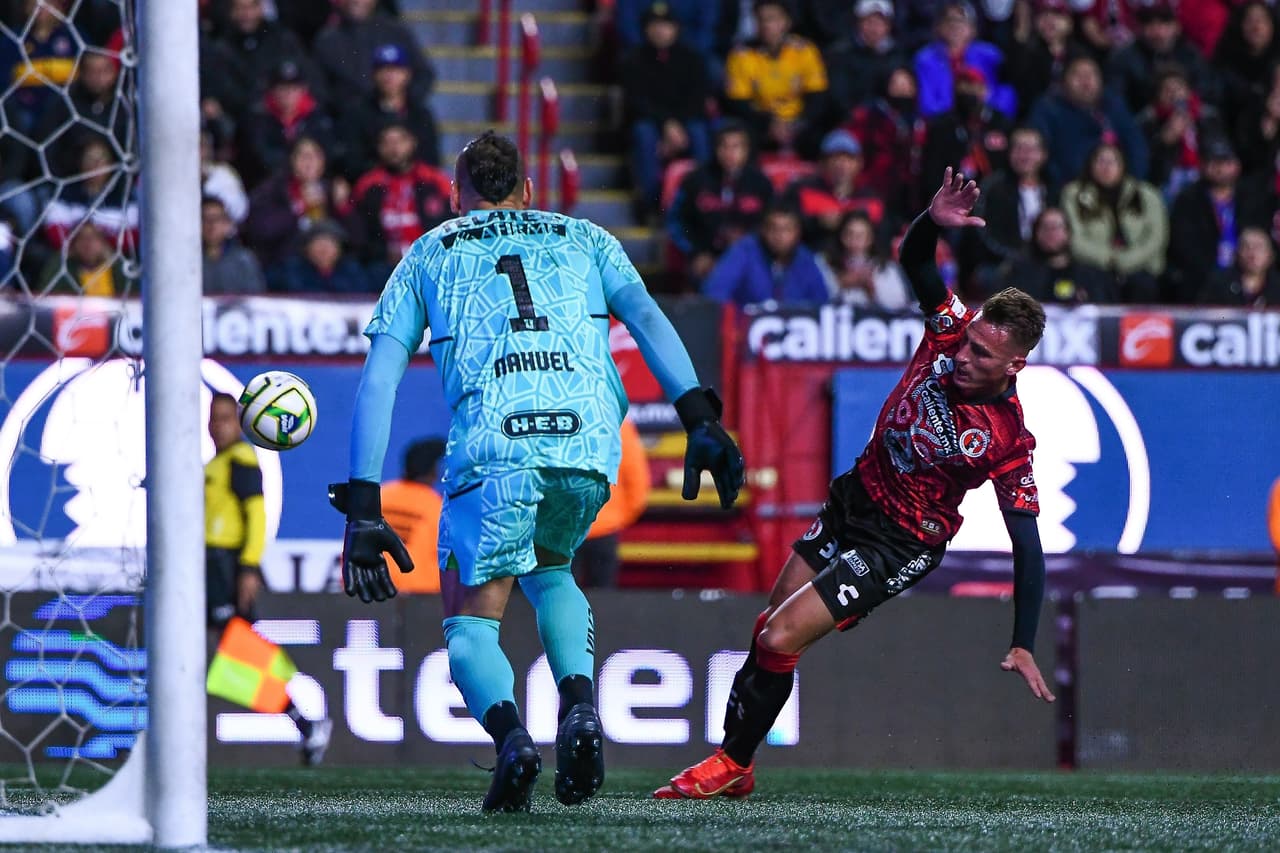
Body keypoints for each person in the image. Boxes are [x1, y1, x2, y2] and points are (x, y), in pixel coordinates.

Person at [329, 131, 745, 812]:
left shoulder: (431, 251)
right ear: (527, 190)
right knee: (552, 569)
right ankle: (580, 707)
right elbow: (645, 315)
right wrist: (698, 415)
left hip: (496, 444)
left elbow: (380, 379)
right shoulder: (585, 238)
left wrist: (365, 504)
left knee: (472, 618)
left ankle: (513, 739)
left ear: (458, 198)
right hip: (586, 438)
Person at [654, 168, 1054, 800]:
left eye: (982, 354)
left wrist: (1023, 643)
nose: (964, 355)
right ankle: (740, 766)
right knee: (767, 630)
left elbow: (1027, 547)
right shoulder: (948, 329)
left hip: (900, 542)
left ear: (1015, 365)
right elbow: (915, 257)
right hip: (855, 496)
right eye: (970, 340)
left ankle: (729, 765)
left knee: (782, 634)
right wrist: (930, 219)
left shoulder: (1008, 439)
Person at [205, 392, 333, 765]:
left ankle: (306, 722)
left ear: (241, 423)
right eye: (214, 418)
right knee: (229, 650)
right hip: (208, 565)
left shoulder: (241, 460)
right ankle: (305, 723)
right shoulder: (218, 463)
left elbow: (257, 517)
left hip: (224, 565)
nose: (219, 425)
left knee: (239, 651)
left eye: (227, 417)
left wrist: (248, 568)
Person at [1059, 142, 1167, 303]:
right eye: (1100, 161)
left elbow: (1157, 237)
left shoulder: (1146, 194)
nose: (1106, 167)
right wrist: (1109, 259)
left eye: (1113, 161)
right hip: (1094, 267)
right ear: (1091, 165)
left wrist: (1127, 260)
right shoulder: (1073, 193)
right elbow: (1073, 237)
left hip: (1142, 267)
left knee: (1143, 285)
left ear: (1123, 165)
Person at [572, 416, 651, 589]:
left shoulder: (553, 417)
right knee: (603, 598)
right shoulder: (617, 421)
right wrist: (619, 517)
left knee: (560, 600)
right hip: (605, 527)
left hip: (563, 529)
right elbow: (636, 478)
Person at [702, 204, 830, 306]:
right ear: (763, 230)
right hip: (746, 328)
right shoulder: (744, 251)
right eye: (773, 228)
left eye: (786, 229)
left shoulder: (806, 259)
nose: (779, 236)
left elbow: (821, 303)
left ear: (797, 232)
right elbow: (715, 293)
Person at [379, 438, 446, 594]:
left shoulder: (378, 497)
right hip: (420, 598)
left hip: (372, 594)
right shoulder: (435, 506)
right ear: (434, 471)